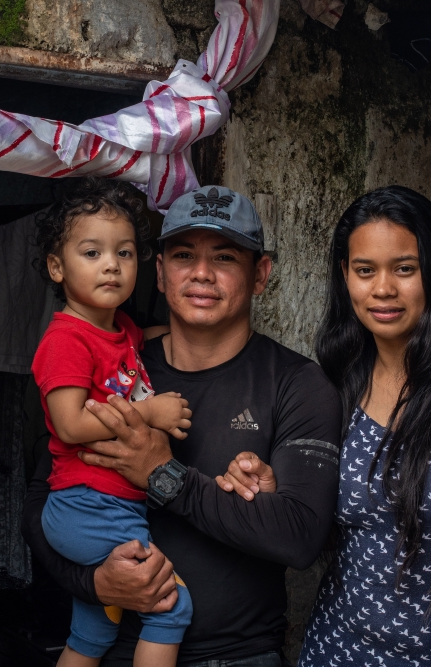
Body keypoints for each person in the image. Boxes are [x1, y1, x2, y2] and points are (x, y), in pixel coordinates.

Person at [22, 184, 343, 667]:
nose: (201, 274)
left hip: (238, 657)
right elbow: (38, 503)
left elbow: (299, 539)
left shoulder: (297, 384)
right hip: (115, 650)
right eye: (183, 255)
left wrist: (163, 475)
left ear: (261, 274)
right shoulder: (116, 364)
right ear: (159, 271)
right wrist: (91, 583)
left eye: (226, 257)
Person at [272, 185, 431, 666]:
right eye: (365, 270)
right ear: (345, 276)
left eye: (405, 268)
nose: (383, 289)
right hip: (336, 649)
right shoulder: (331, 386)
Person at [31, 178, 194, 667]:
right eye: (92, 252)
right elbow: (70, 426)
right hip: (87, 506)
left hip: (107, 505)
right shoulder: (66, 341)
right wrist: (150, 411)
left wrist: (180, 330)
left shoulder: (118, 327)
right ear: (57, 268)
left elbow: (139, 339)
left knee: (95, 627)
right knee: (170, 605)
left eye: (124, 253)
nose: (111, 265)